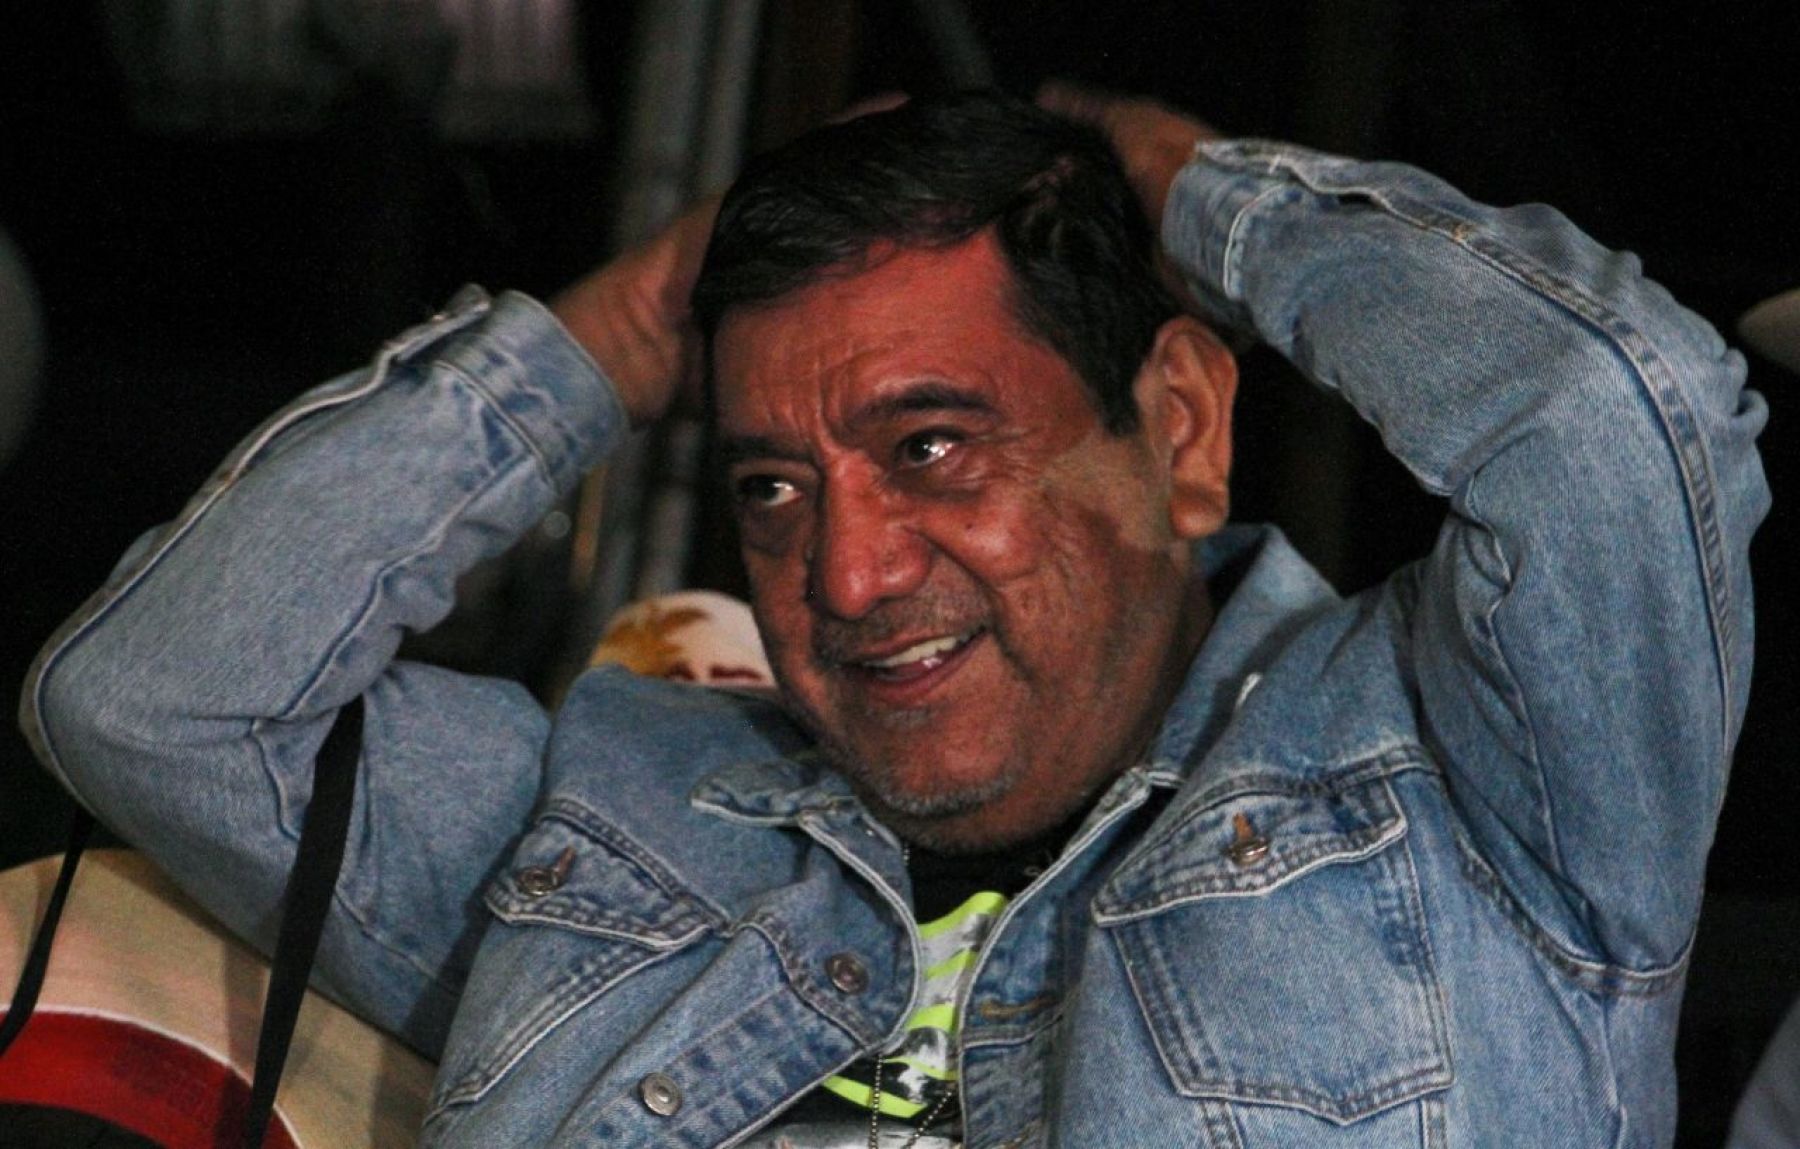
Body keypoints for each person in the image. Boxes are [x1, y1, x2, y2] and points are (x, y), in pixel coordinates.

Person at [19, 85, 1766, 1148]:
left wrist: (1176, 181)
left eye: (931, 446)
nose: (845, 576)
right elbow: (156, 700)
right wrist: (623, 330)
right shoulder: (622, 802)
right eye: (775, 487)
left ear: (1179, 428)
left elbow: (1619, 420)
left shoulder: (1467, 774)